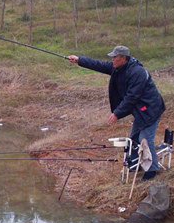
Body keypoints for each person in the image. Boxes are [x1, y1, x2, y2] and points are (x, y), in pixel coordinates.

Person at [68, 45, 165, 180]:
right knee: (134, 138)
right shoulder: (119, 68)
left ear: (123, 58)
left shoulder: (137, 72)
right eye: (112, 57)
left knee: (146, 140)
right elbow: (99, 65)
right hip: (140, 110)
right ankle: (135, 164)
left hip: (151, 108)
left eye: (115, 57)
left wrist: (117, 114)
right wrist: (79, 60)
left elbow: (132, 96)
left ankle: (152, 170)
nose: (112, 60)